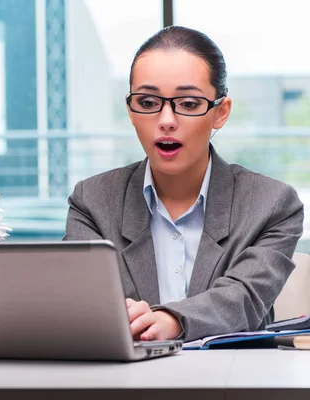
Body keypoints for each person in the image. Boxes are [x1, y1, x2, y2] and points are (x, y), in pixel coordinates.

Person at [63, 25, 304, 342]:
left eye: (188, 103)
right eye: (148, 103)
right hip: (124, 385)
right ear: (131, 111)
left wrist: (174, 320)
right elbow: (81, 302)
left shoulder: (273, 205)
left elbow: (245, 298)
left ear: (221, 113)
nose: (165, 120)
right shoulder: (91, 202)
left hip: (231, 384)